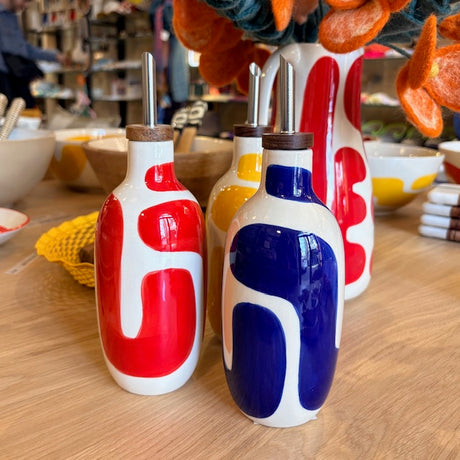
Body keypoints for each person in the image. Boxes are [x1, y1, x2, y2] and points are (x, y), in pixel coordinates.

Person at [0, 0, 68, 108]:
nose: (26, 5)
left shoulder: (11, 16)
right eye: (24, 1)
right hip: (5, 81)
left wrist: (54, 56)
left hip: (15, 79)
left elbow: (23, 48)